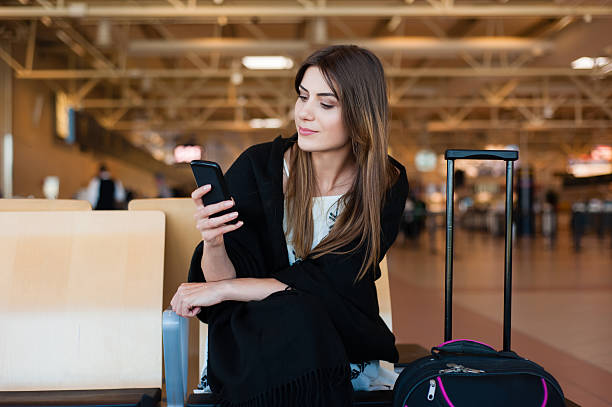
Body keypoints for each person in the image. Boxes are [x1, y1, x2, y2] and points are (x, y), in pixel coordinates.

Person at [170, 45, 409, 406]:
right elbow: (220, 290)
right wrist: (214, 244)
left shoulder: (384, 181)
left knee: (302, 308)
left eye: (325, 104)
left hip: (341, 342)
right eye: (302, 97)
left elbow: (335, 281)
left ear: (360, 114)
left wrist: (229, 289)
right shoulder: (257, 168)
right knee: (293, 310)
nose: (305, 114)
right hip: (259, 344)